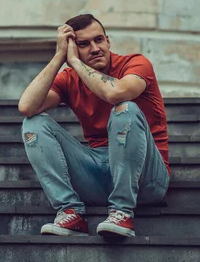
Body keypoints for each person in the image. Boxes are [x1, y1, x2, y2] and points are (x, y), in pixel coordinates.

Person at [18, 14, 170, 237]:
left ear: (108, 40)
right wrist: (60, 57)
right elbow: (27, 106)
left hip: (147, 178)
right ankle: (70, 212)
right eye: (84, 44)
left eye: (99, 40)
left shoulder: (136, 64)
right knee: (34, 123)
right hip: (98, 174)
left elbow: (115, 93)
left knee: (124, 108)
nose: (95, 48)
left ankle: (122, 211)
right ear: (73, 49)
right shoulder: (70, 78)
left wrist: (77, 62)